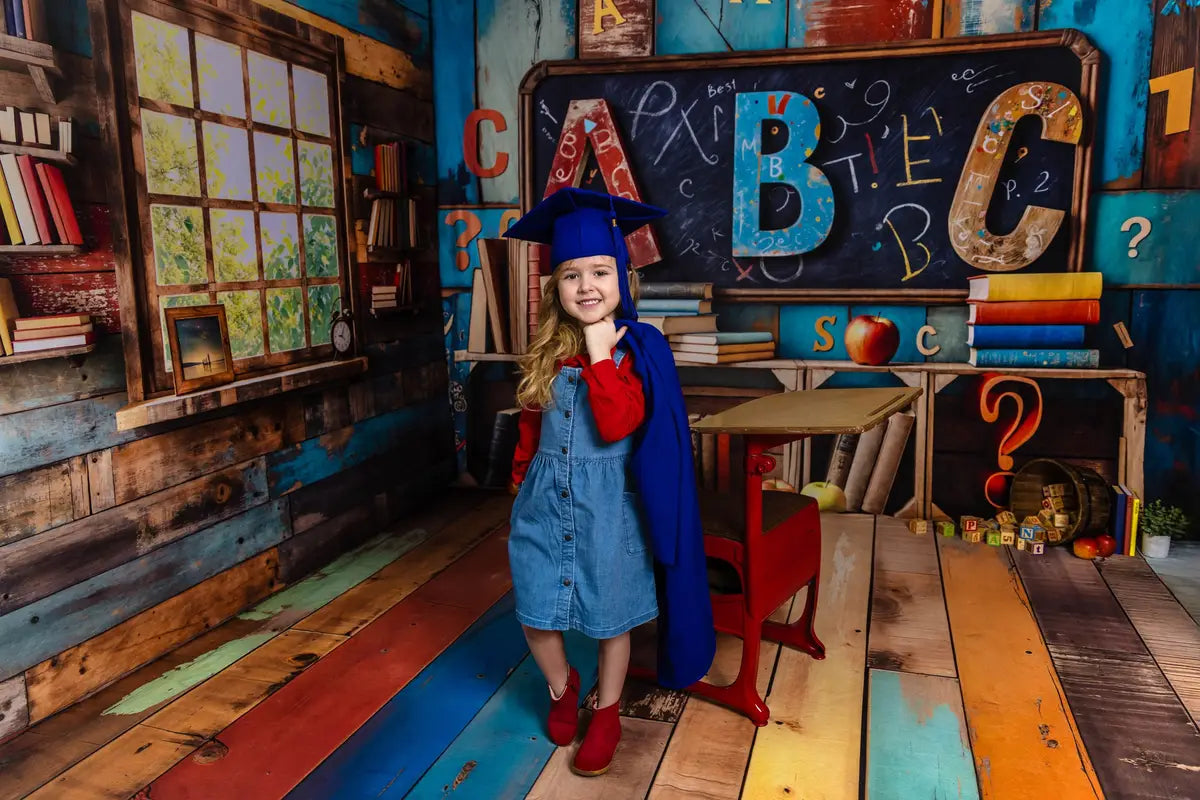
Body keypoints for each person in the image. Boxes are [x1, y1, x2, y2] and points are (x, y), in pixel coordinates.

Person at [503, 186, 716, 777]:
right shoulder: (546, 353)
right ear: (556, 287)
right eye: (572, 276)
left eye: (600, 272)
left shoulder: (635, 351)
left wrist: (600, 355)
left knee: (610, 616)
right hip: (545, 501)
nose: (587, 286)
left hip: (609, 505)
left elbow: (619, 422)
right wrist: (520, 484)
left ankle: (608, 712)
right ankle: (561, 685)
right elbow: (530, 424)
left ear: (623, 277)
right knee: (535, 608)